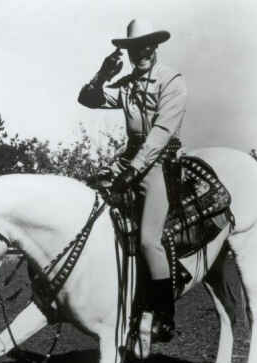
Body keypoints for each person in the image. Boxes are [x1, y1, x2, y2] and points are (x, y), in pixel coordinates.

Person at [78, 19, 187, 342]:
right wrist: (102, 75)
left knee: (148, 240)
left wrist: (131, 171)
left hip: (159, 161)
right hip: (130, 158)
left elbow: (160, 135)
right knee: (90, 203)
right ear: (128, 52)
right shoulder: (125, 84)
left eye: (148, 45)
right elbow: (88, 99)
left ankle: (165, 313)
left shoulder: (172, 81)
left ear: (156, 46)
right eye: (136, 47)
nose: (144, 51)